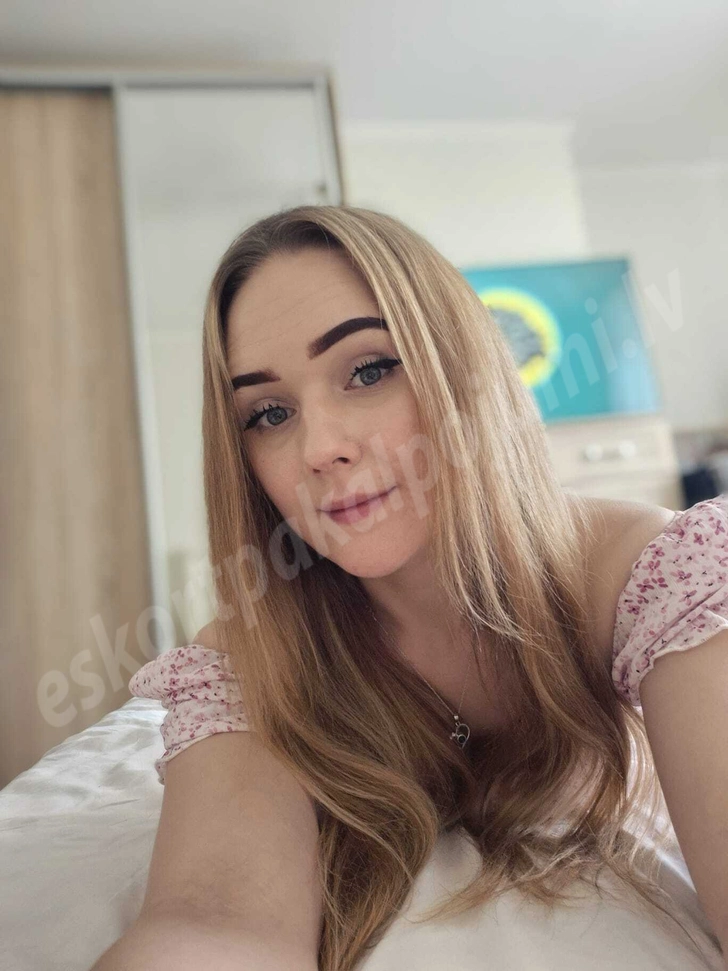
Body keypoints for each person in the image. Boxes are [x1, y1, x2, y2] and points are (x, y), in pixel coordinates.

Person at [94, 206, 727, 970]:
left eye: (368, 370)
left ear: (460, 367)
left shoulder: (653, 575)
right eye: (269, 412)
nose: (321, 447)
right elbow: (218, 926)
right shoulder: (251, 664)